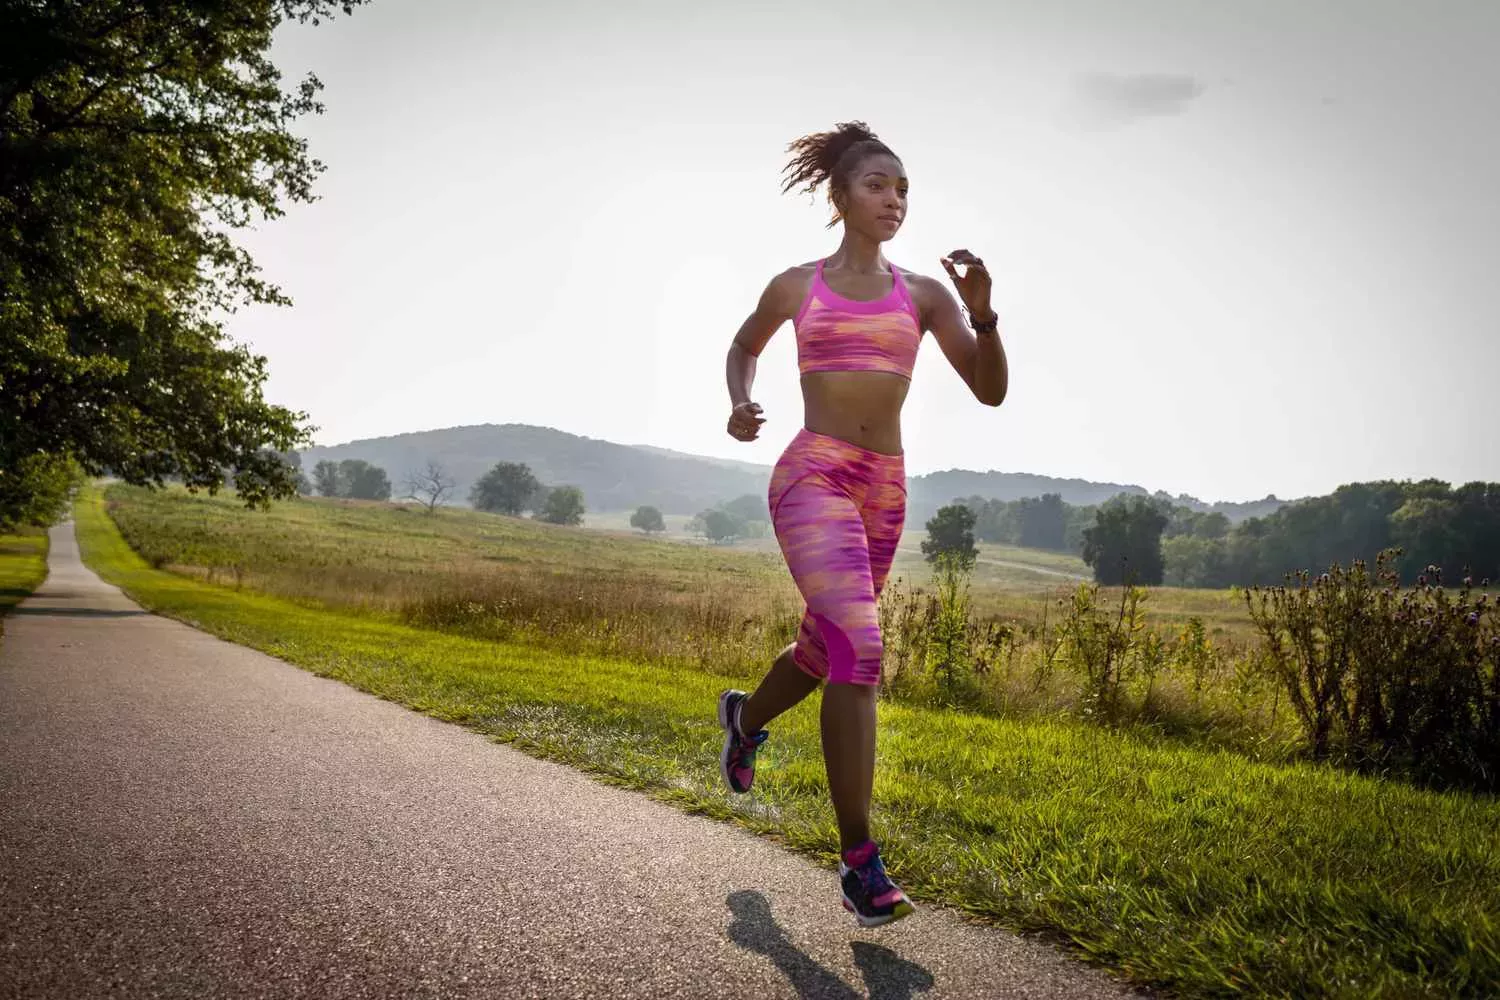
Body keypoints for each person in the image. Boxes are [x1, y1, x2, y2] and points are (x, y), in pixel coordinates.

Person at [717, 121, 1009, 927]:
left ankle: (744, 720)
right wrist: (741, 401)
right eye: (879, 185)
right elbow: (743, 346)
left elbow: (989, 391)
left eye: (904, 188)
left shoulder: (925, 295)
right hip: (813, 472)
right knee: (861, 647)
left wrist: (985, 318)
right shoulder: (795, 286)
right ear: (841, 197)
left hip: (884, 489)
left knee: (825, 647)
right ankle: (859, 863)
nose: (895, 199)